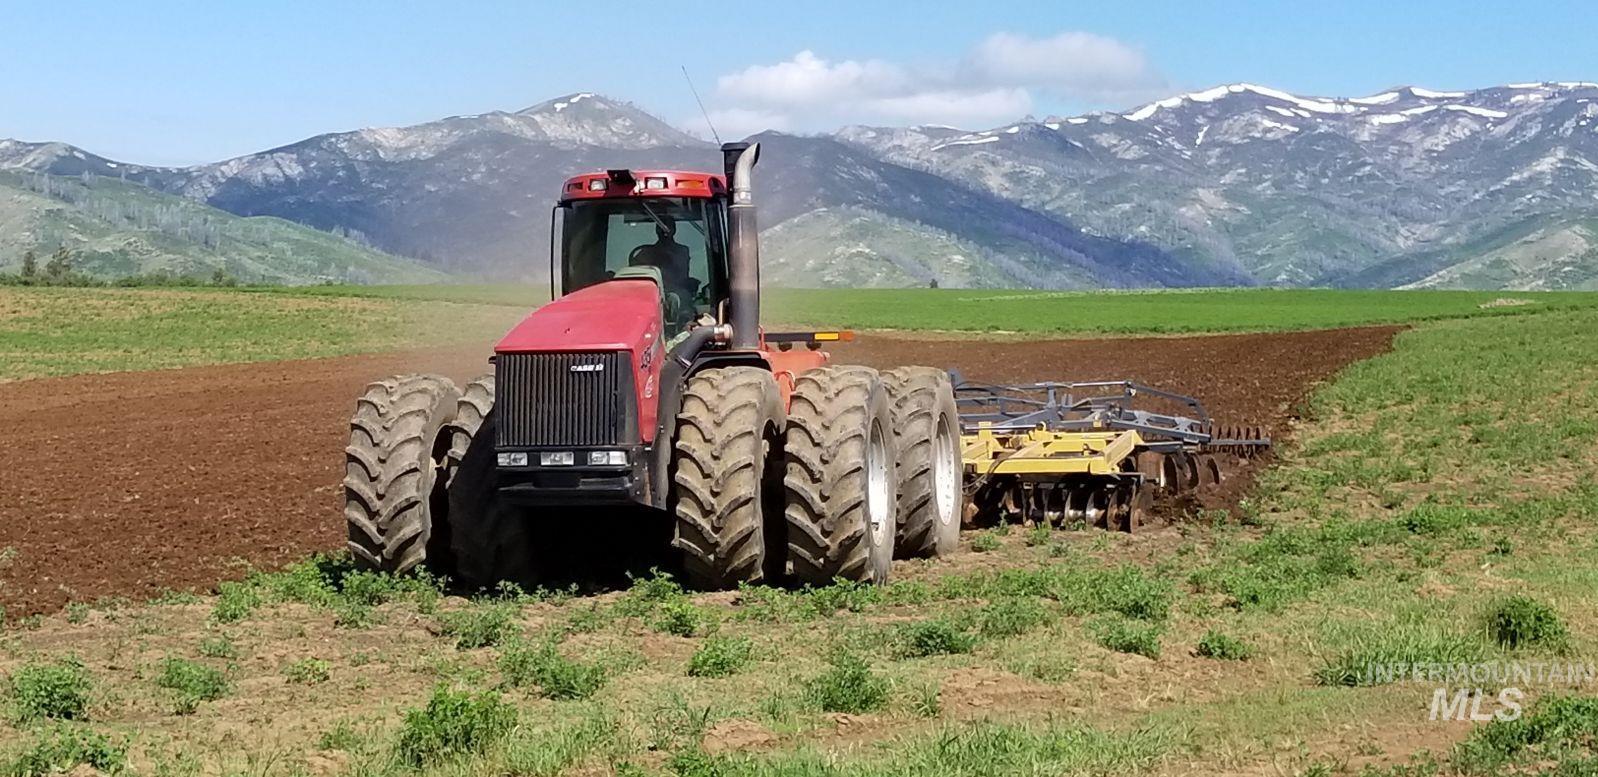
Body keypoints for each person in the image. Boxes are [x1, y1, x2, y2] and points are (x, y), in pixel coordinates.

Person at [630, 214, 698, 306]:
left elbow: (681, 272)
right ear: (656, 230)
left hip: (678, 297)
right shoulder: (645, 253)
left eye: (668, 227)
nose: (664, 231)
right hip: (648, 298)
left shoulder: (682, 251)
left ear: (674, 229)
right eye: (661, 228)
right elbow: (635, 275)